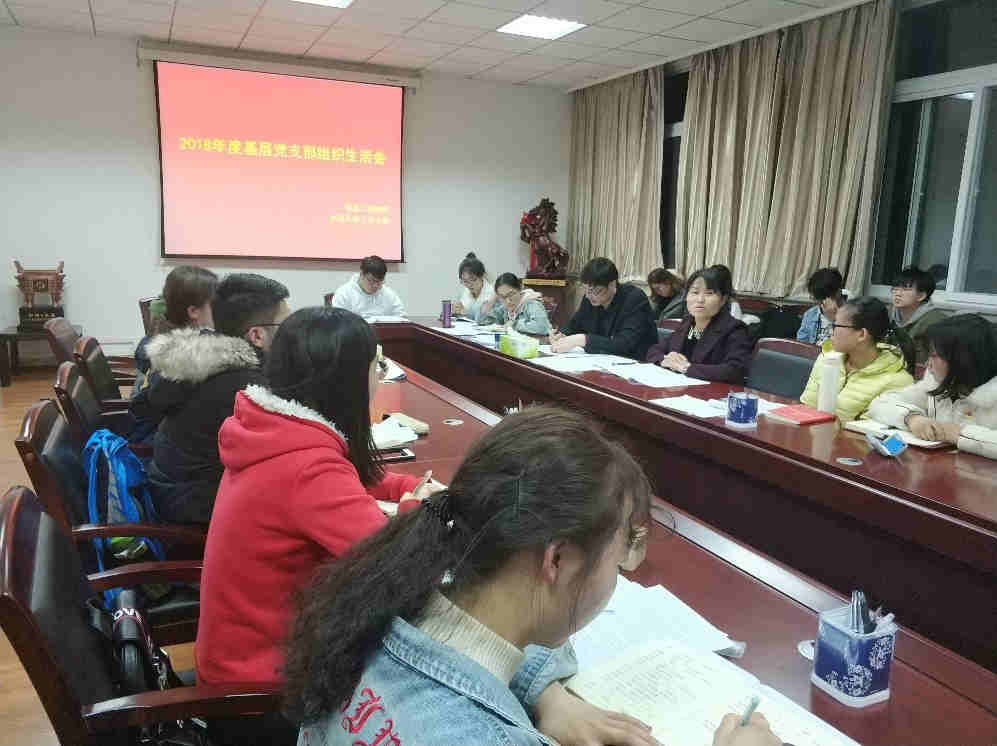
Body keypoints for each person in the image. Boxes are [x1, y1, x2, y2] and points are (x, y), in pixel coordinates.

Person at [284, 406, 782, 746]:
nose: (617, 576)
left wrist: (545, 692)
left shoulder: (387, 602)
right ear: (557, 561)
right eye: (618, 555)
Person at [196, 307, 435, 745]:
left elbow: (352, 477)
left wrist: (408, 487)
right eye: (376, 365)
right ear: (347, 380)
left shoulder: (276, 428)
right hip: (262, 692)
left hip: (242, 655)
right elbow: (393, 560)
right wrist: (416, 508)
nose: (379, 376)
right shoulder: (308, 467)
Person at [131, 273, 291, 525]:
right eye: (285, 326)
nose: (292, 334)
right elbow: (283, 457)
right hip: (195, 514)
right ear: (257, 335)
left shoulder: (204, 359)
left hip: (173, 492)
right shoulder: (243, 386)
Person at [868, 315, 997, 460]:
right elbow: (880, 403)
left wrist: (958, 434)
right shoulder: (937, 384)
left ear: (962, 359)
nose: (927, 364)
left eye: (934, 356)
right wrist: (912, 418)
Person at [800, 296, 915, 423]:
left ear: (861, 334)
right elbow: (806, 407)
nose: (831, 332)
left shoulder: (898, 381)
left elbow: (872, 431)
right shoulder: (827, 359)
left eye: (835, 326)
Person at [645, 266, 754, 383]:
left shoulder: (734, 329)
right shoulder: (688, 324)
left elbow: (735, 370)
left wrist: (686, 368)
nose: (700, 299)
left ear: (723, 300)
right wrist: (665, 360)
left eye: (709, 293)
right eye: (695, 292)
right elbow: (654, 350)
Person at [550, 257, 658, 360]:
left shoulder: (634, 299)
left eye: (594, 291)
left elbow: (624, 344)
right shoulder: (590, 299)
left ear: (612, 284)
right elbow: (574, 325)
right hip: (601, 361)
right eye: (586, 290)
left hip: (635, 363)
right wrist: (561, 335)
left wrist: (583, 339)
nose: (588, 296)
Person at [890, 267, 947, 359]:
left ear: (921, 296)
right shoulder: (887, 314)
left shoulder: (936, 322)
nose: (898, 294)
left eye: (905, 289)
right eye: (895, 289)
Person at [331, 255, 406, 319]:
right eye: (371, 281)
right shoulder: (344, 294)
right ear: (361, 274)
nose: (376, 286)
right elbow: (339, 323)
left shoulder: (389, 294)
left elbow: (401, 318)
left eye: (379, 282)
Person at [480, 272, 551, 335]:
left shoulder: (532, 303)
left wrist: (514, 324)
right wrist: (492, 300)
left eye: (511, 294)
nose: (508, 301)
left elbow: (542, 327)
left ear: (520, 288)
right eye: (503, 297)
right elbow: (483, 321)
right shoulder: (505, 306)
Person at [797, 268, 846, 345]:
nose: (818, 302)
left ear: (837, 294)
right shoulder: (810, 315)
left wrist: (833, 319)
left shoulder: (851, 316)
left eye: (821, 298)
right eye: (816, 298)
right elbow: (800, 344)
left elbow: (847, 347)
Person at [453, 252, 497, 321]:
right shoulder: (464, 292)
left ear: (482, 276)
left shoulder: (493, 293)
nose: (469, 285)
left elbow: (488, 319)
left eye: (473, 280)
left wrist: (466, 313)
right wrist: (455, 311)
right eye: (465, 281)